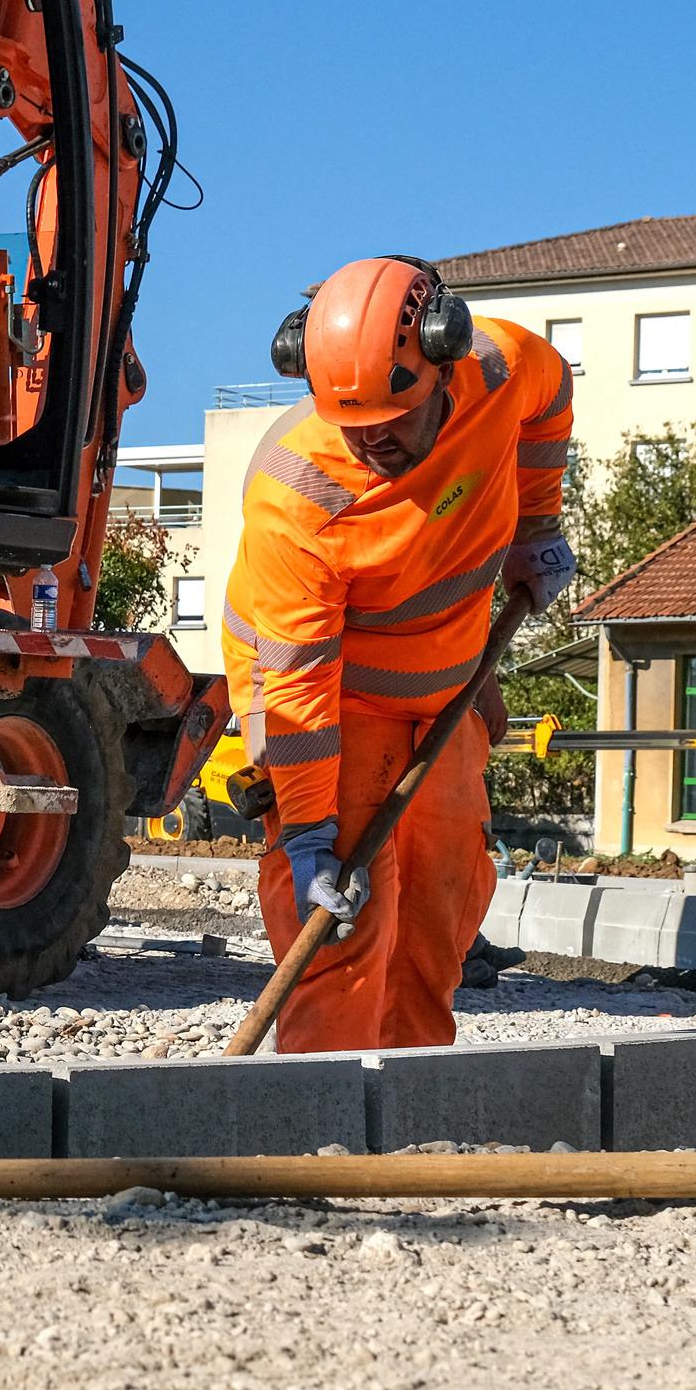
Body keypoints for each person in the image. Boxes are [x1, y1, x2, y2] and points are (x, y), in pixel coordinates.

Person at [222, 256, 577, 1052]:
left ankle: (408, 1114)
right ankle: (326, 1133)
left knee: (438, 911)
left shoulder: (501, 365)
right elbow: (299, 691)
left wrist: (536, 526)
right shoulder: (299, 496)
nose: (372, 436)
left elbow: (551, 402)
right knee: (341, 932)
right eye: (351, 421)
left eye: (393, 412)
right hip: (328, 705)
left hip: (444, 693)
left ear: (444, 359)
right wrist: (310, 835)